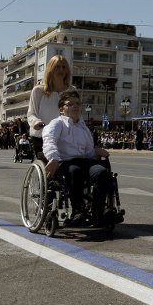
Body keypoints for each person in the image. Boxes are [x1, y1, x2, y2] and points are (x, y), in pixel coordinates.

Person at [42, 90, 117, 225]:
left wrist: (96, 151)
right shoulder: (57, 124)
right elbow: (49, 141)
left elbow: (88, 152)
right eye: (70, 104)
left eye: (77, 103)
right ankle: (78, 211)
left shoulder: (83, 128)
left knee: (101, 172)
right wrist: (53, 158)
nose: (75, 106)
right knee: (75, 171)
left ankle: (99, 212)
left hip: (84, 161)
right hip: (65, 162)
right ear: (61, 109)